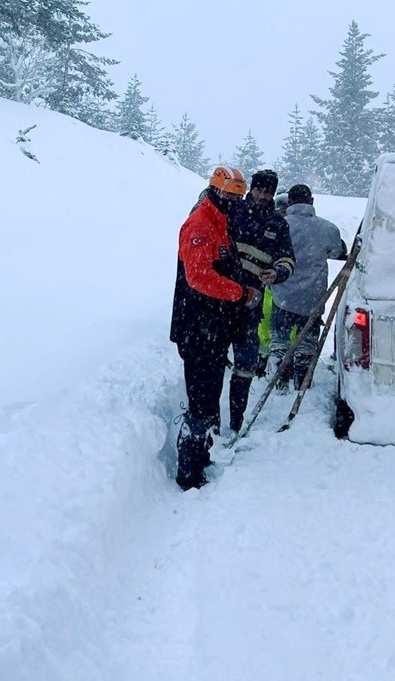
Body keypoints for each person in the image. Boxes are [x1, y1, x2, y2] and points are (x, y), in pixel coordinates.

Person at [170, 166, 264, 490]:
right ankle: (188, 471)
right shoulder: (199, 225)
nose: (233, 201)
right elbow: (199, 277)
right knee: (199, 402)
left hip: (214, 328)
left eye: (238, 197)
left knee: (210, 398)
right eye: (228, 195)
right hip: (197, 329)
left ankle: (201, 456)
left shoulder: (220, 223)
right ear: (215, 190)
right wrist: (238, 292)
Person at [224, 170, 295, 433]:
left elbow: (288, 258)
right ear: (250, 190)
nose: (263, 196)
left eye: (268, 192)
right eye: (259, 190)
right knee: (214, 361)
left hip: (251, 305)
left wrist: (278, 272)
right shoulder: (232, 212)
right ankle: (209, 419)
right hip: (220, 302)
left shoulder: (278, 224)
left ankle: (235, 422)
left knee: (245, 367)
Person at [268, 184, 348, 390]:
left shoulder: (280, 225)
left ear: (290, 202)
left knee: (281, 338)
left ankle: (280, 376)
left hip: (283, 294)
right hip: (313, 298)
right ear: (311, 201)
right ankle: (303, 376)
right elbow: (337, 252)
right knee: (307, 341)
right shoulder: (328, 229)